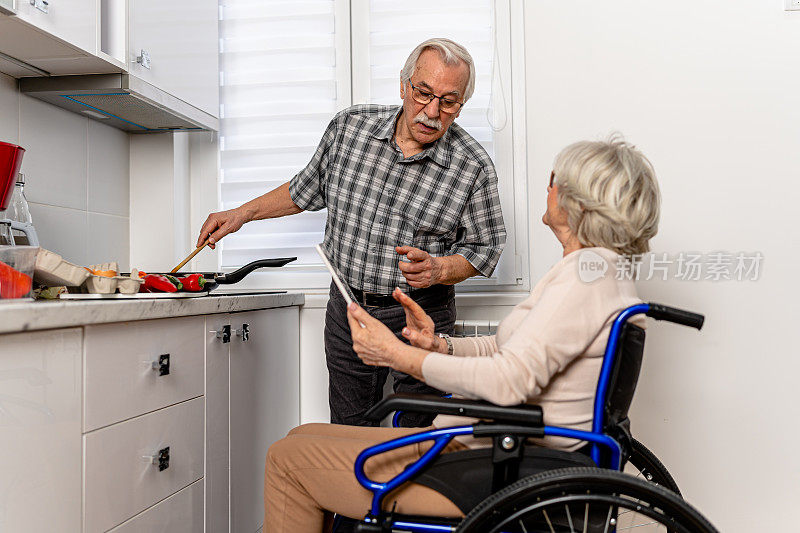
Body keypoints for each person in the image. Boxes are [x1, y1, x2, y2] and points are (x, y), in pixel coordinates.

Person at [263, 136, 662, 532]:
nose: (548, 186)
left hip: (498, 465)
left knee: (286, 461)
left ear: (578, 202)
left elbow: (509, 381)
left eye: (555, 179)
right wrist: (440, 345)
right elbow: (507, 349)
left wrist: (398, 356)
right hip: (497, 450)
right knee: (303, 435)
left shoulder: (584, 278)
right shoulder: (594, 273)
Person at [197, 38, 507, 428]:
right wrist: (241, 213)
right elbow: (305, 190)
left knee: (418, 435)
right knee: (348, 429)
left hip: (423, 315)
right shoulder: (349, 129)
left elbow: (487, 248)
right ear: (403, 85)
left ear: (461, 105)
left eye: (448, 102)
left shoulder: (473, 166)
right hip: (349, 310)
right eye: (423, 93)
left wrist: (438, 270)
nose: (431, 111)